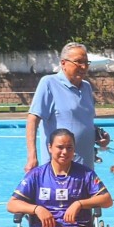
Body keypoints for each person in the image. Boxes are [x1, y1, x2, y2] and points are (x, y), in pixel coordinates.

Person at [26, 42, 96, 172]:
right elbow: (32, 119)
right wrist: (32, 156)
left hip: (86, 170)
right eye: (78, 62)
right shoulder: (49, 83)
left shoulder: (86, 87)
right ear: (63, 63)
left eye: (86, 62)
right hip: (59, 171)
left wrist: (97, 135)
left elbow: (83, 122)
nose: (84, 66)